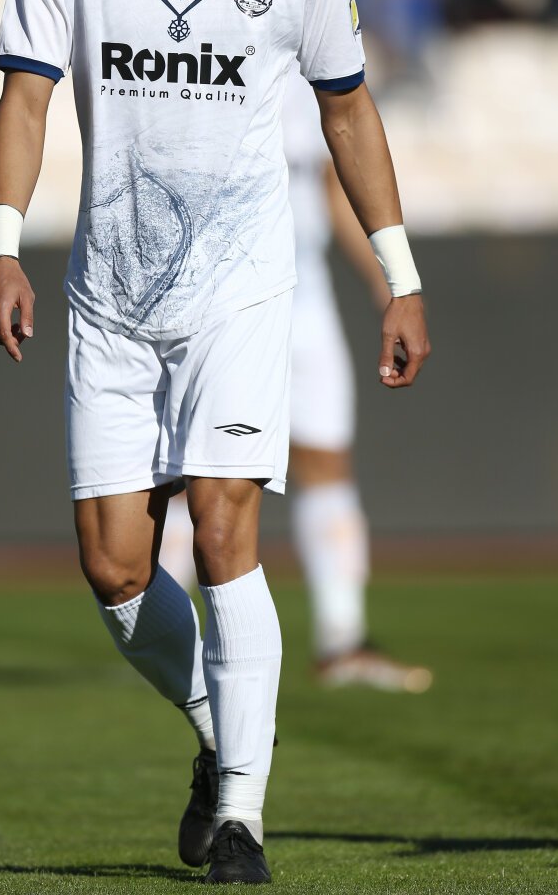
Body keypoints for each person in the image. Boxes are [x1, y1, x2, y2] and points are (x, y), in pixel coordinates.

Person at [0, 0, 430, 884]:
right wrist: (1, 245)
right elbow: (26, 97)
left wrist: (399, 275)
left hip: (242, 289)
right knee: (118, 573)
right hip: (110, 298)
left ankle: (240, 815)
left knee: (225, 525)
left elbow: (346, 111)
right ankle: (217, 735)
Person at [161, 72, 433, 692]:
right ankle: (166, 633)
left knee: (326, 459)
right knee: (196, 470)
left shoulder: (311, 76)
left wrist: (389, 282)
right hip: (223, 295)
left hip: (304, 297)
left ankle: (343, 639)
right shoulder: (212, 59)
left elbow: (333, 181)